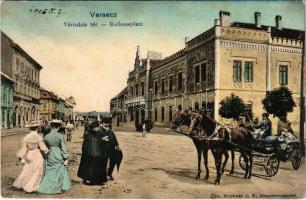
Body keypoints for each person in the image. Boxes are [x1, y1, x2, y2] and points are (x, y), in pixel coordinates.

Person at [13, 122, 49, 193]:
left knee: (28, 169)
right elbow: (43, 148)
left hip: (29, 153)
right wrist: (46, 152)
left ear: (29, 128)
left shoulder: (26, 137)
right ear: (37, 128)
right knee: (38, 170)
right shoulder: (39, 137)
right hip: (37, 154)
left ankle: (23, 183)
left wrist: (21, 156)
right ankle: (32, 186)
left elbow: (23, 149)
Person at [37, 120, 71, 194]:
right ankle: (57, 187)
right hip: (58, 154)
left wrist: (44, 155)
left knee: (50, 171)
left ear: (52, 126)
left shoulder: (46, 136)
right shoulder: (60, 136)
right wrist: (65, 157)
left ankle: (46, 187)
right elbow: (63, 148)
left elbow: (44, 147)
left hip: (50, 154)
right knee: (58, 171)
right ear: (58, 127)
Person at [77, 120, 109, 185]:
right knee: (89, 166)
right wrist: (101, 140)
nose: (97, 129)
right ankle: (87, 179)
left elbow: (99, 141)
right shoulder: (88, 134)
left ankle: (98, 180)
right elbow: (88, 144)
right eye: (96, 127)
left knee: (99, 163)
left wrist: (104, 140)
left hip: (98, 152)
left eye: (98, 127)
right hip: (89, 153)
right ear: (93, 127)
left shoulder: (99, 133)